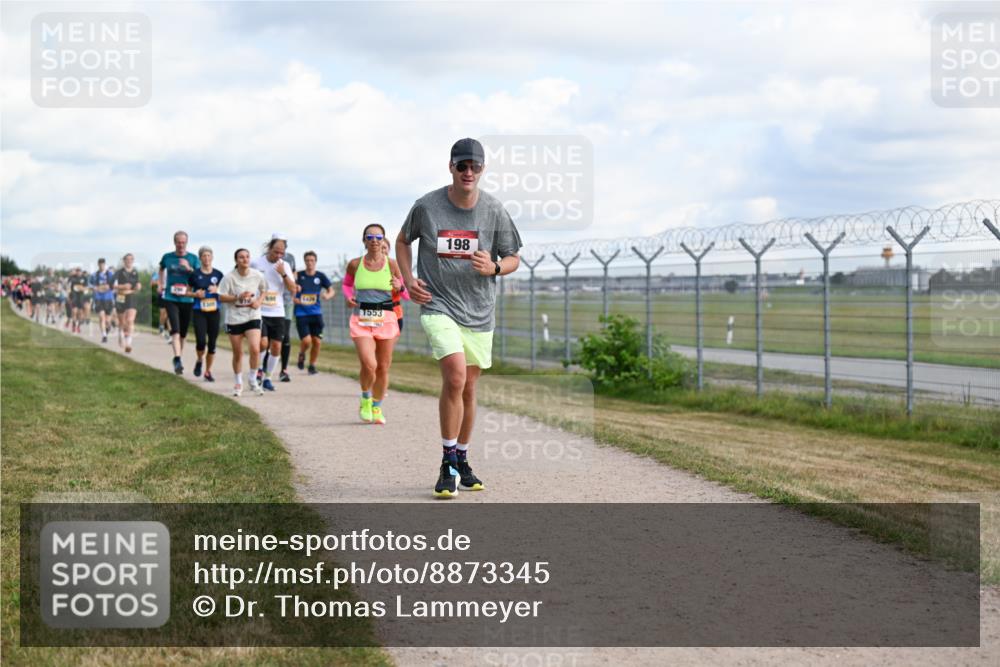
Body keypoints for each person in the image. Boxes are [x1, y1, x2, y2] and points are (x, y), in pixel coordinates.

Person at [396, 138, 522, 498]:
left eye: (475, 167)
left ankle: (462, 460)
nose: (468, 172)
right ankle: (448, 463)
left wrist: (495, 266)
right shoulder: (427, 206)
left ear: (482, 170)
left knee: (468, 386)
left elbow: (513, 257)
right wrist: (408, 280)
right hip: (438, 304)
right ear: (450, 167)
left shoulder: (494, 210)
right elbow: (403, 241)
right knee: (454, 376)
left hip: (479, 311)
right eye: (461, 165)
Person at [346, 224, 404, 426]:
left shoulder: (392, 264)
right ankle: (365, 398)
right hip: (361, 319)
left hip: (386, 318)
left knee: (383, 367)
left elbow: (403, 289)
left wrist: (400, 286)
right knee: (369, 364)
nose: (374, 240)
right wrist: (348, 297)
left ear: (383, 240)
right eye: (369, 236)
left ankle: (377, 406)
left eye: (378, 237)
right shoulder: (354, 264)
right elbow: (346, 285)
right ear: (364, 240)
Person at [218, 248, 267, 396]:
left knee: (255, 348)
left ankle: (253, 380)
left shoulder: (257, 275)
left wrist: (258, 301)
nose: (244, 259)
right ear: (236, 260)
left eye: (247, 257)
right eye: (241, 257)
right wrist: (237, 297)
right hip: (235, 318)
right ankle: (238, 383)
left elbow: (264, 290)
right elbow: (221, 297)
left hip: (252, 316)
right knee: (238, 352)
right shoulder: (229, 278)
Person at [250, 235, 296, 391]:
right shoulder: (256, 263)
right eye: (276, 252)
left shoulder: (285, 266)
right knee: (263, 343)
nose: (278, 256)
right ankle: (258, 372)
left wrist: (283, 273)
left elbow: (293, 289)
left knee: (276, 346)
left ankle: (268, 378)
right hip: (260, 311)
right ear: (269, 248)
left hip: (277, 311)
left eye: (281, 253)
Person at [159, 231, 200, 374]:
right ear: (174, 242)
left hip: (187, 298)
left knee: (183, 333)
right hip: (171, 298)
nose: (181, 245)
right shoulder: (167, 257)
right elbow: (161, 268)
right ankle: (177, 358)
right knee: (175, 330)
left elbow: (199, 275)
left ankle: (178, 358)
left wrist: (189, 269)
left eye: (183, 242)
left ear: (186, 243)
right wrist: (160, 283)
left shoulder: (193, 258)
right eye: (178, 242)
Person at [293, 250, 334, 375]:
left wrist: (327, 295)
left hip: (316, 314)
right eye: (307, 260)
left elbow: (331, 290)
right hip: (301, 314)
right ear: (304, 262)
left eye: (312, 260)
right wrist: (296, 300)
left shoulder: (320, 276)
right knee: (306, 341)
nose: (309, 263)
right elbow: (290, 292)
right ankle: (301, 354)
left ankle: (312, 365)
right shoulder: (298, 276)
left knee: (317, 341)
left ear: (315, 262)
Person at [188, 246, 224, 382]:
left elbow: (226, 291)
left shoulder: (219, 274)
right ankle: (199, 360)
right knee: (201, 341)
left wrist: (218, 289)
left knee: (213, 343)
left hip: (214, 311)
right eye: (204, 256)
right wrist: (195, 294)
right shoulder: (195, 274)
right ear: (200, 258)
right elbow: (187, 291)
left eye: (209, 255)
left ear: (212, 257)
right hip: (199, 310)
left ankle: (208, 371)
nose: (207, 258)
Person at [113, 253, 141, 353]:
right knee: (122, 322)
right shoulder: (119, 272)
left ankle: (128, 344)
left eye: (131, 259)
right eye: (127, 259)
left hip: (131, 297)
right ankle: (121, 335)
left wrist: (138, 286)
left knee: (130, 320)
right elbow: (113, 285)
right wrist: (123, 286)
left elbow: (137, 283)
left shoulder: (135, 272)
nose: (129, 261)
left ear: (133, 261)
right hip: (121, 296)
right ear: (124, 261)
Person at [90, 258, 116, 343]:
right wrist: (94, 287)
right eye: (100, 264)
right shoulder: (94, 275)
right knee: (101, 317)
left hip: (108, 298)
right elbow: (89, 284)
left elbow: (115, 284)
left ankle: (107, 328)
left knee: (108, 320)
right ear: (98, 265)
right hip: (98, 298)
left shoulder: (110, 274)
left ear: (105, 265)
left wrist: (110, 286)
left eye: (103, 264)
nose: (101, 266)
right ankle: (104, 335)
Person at [67, 267, 88, 334]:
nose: (78, 272)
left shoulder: (84, 278)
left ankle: (78, 326)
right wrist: (68, 295)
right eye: (77, 271)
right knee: (74, 311)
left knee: (80, 313)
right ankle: (73, 325)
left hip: (81, 297)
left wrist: (82, 288)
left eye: (79, 271)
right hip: (74, 297)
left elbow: (86, 287)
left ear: (81, 272)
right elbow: (68, 286)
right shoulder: (72, 277)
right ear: (76, 272)